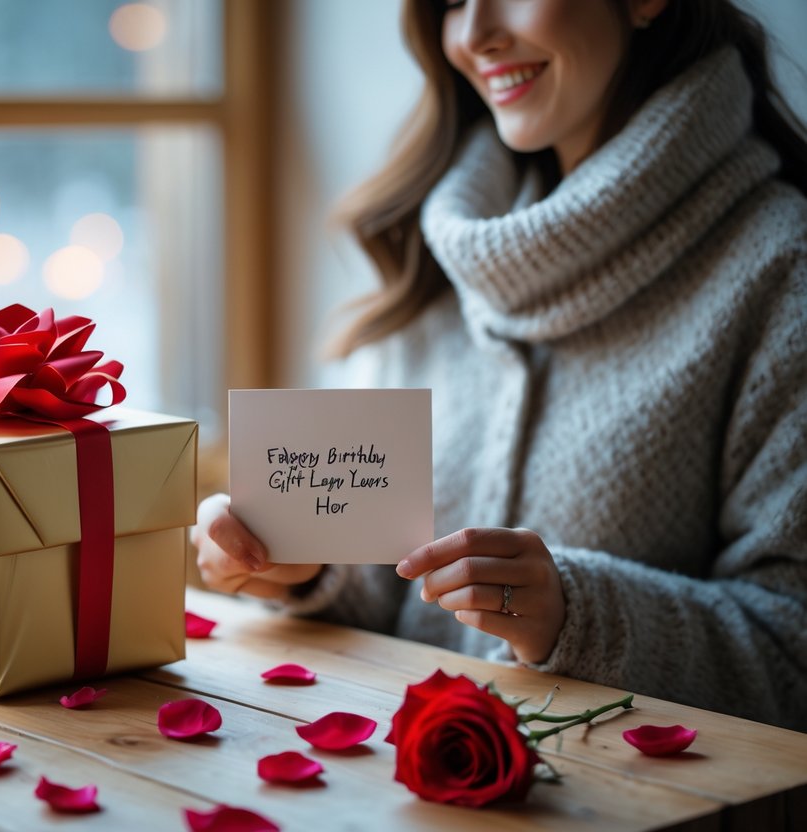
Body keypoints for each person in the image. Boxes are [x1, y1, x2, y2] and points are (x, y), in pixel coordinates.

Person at [193, 0, 807, 732]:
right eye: (451, 2)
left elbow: (791, 655)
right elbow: (388, 580)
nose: (473, 33)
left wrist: (576, 613)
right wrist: (303, 567)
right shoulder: (432, 254)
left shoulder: (781, 270)